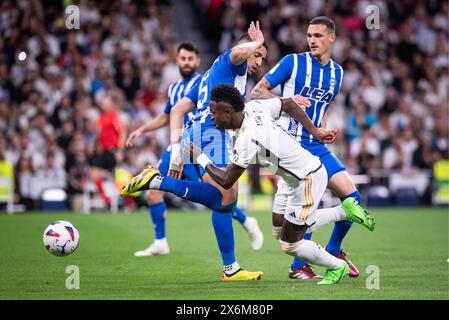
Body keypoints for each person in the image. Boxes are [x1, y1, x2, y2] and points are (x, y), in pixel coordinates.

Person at [120, 84, 375, 285]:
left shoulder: (247, 140)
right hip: (290, 179)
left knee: (290, 244)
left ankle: (336, 262)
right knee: (280, 231)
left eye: (213, 112)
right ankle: (344, 211)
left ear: (228, 112)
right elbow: (287, 104)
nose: (211, 116)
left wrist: (199, 156)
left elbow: (226, 181)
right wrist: (315, 130)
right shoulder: (255, 107)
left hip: (306, 178)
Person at [124, 21, 267, 281]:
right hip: (212, 131)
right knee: (224, 194)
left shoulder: (206, 77)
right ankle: (158, 181)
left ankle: (230, 268)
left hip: (195, 133)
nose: (258, 61)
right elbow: (237, 53)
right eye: (258, 55)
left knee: (224, 198)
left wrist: (178, 152)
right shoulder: (231, 62)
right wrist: (255, 43)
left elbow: (178, 110)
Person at [251, 16, 368, 279]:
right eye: (309, 35)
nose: (312, 40)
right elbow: (257, 92)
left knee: (353, 198)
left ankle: (334, 250)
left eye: (317, 35)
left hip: (315, 143)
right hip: (290, 145)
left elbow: (323, 109)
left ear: (331, 38)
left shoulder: (338, 73)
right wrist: (287, 100)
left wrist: (323, 130)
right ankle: (298, 265)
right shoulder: (293, 62)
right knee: (292, 222)